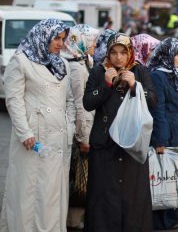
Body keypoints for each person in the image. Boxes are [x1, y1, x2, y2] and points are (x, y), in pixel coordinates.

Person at [0, 19, 75, 232]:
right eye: (56, 38)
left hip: (58, 139)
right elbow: (13, 100)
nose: (60, 43)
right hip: (33, 139)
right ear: (43, 36)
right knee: (29, 192)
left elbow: (69, 100)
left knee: (52, 194)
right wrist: (25, 133)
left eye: (63, 38)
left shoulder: (63, 64)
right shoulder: (21, 61)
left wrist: (69, 127)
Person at [82, 33, 157, 232]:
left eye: (123, 52)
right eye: (113, 52)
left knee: (132, 194)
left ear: (130, 53)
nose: (118, 57)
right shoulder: (99, 71)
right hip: (105, 143)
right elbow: (88, 102)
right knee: (103, 194)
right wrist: (105, 85)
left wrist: (135, 86)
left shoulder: (139, 70)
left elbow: (152, 101)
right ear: (107, 53)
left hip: (131, 144)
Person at [147, 38, 178, 230]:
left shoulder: (174, 74)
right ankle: (168, 218)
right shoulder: (158, 76)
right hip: (170, 132)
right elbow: (158, 110)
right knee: (169, 177)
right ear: (166, 54)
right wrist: (160, 140)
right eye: (177, 53)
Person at [61, 24, 100, 229]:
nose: (95, 45)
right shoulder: (76, 68)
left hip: (86, 126)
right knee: (78, 177)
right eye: (92, 41)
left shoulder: (83, 61)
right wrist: (84, 138)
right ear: (81, 41)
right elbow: (79, 104)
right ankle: (74, 221)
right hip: (80, 130)